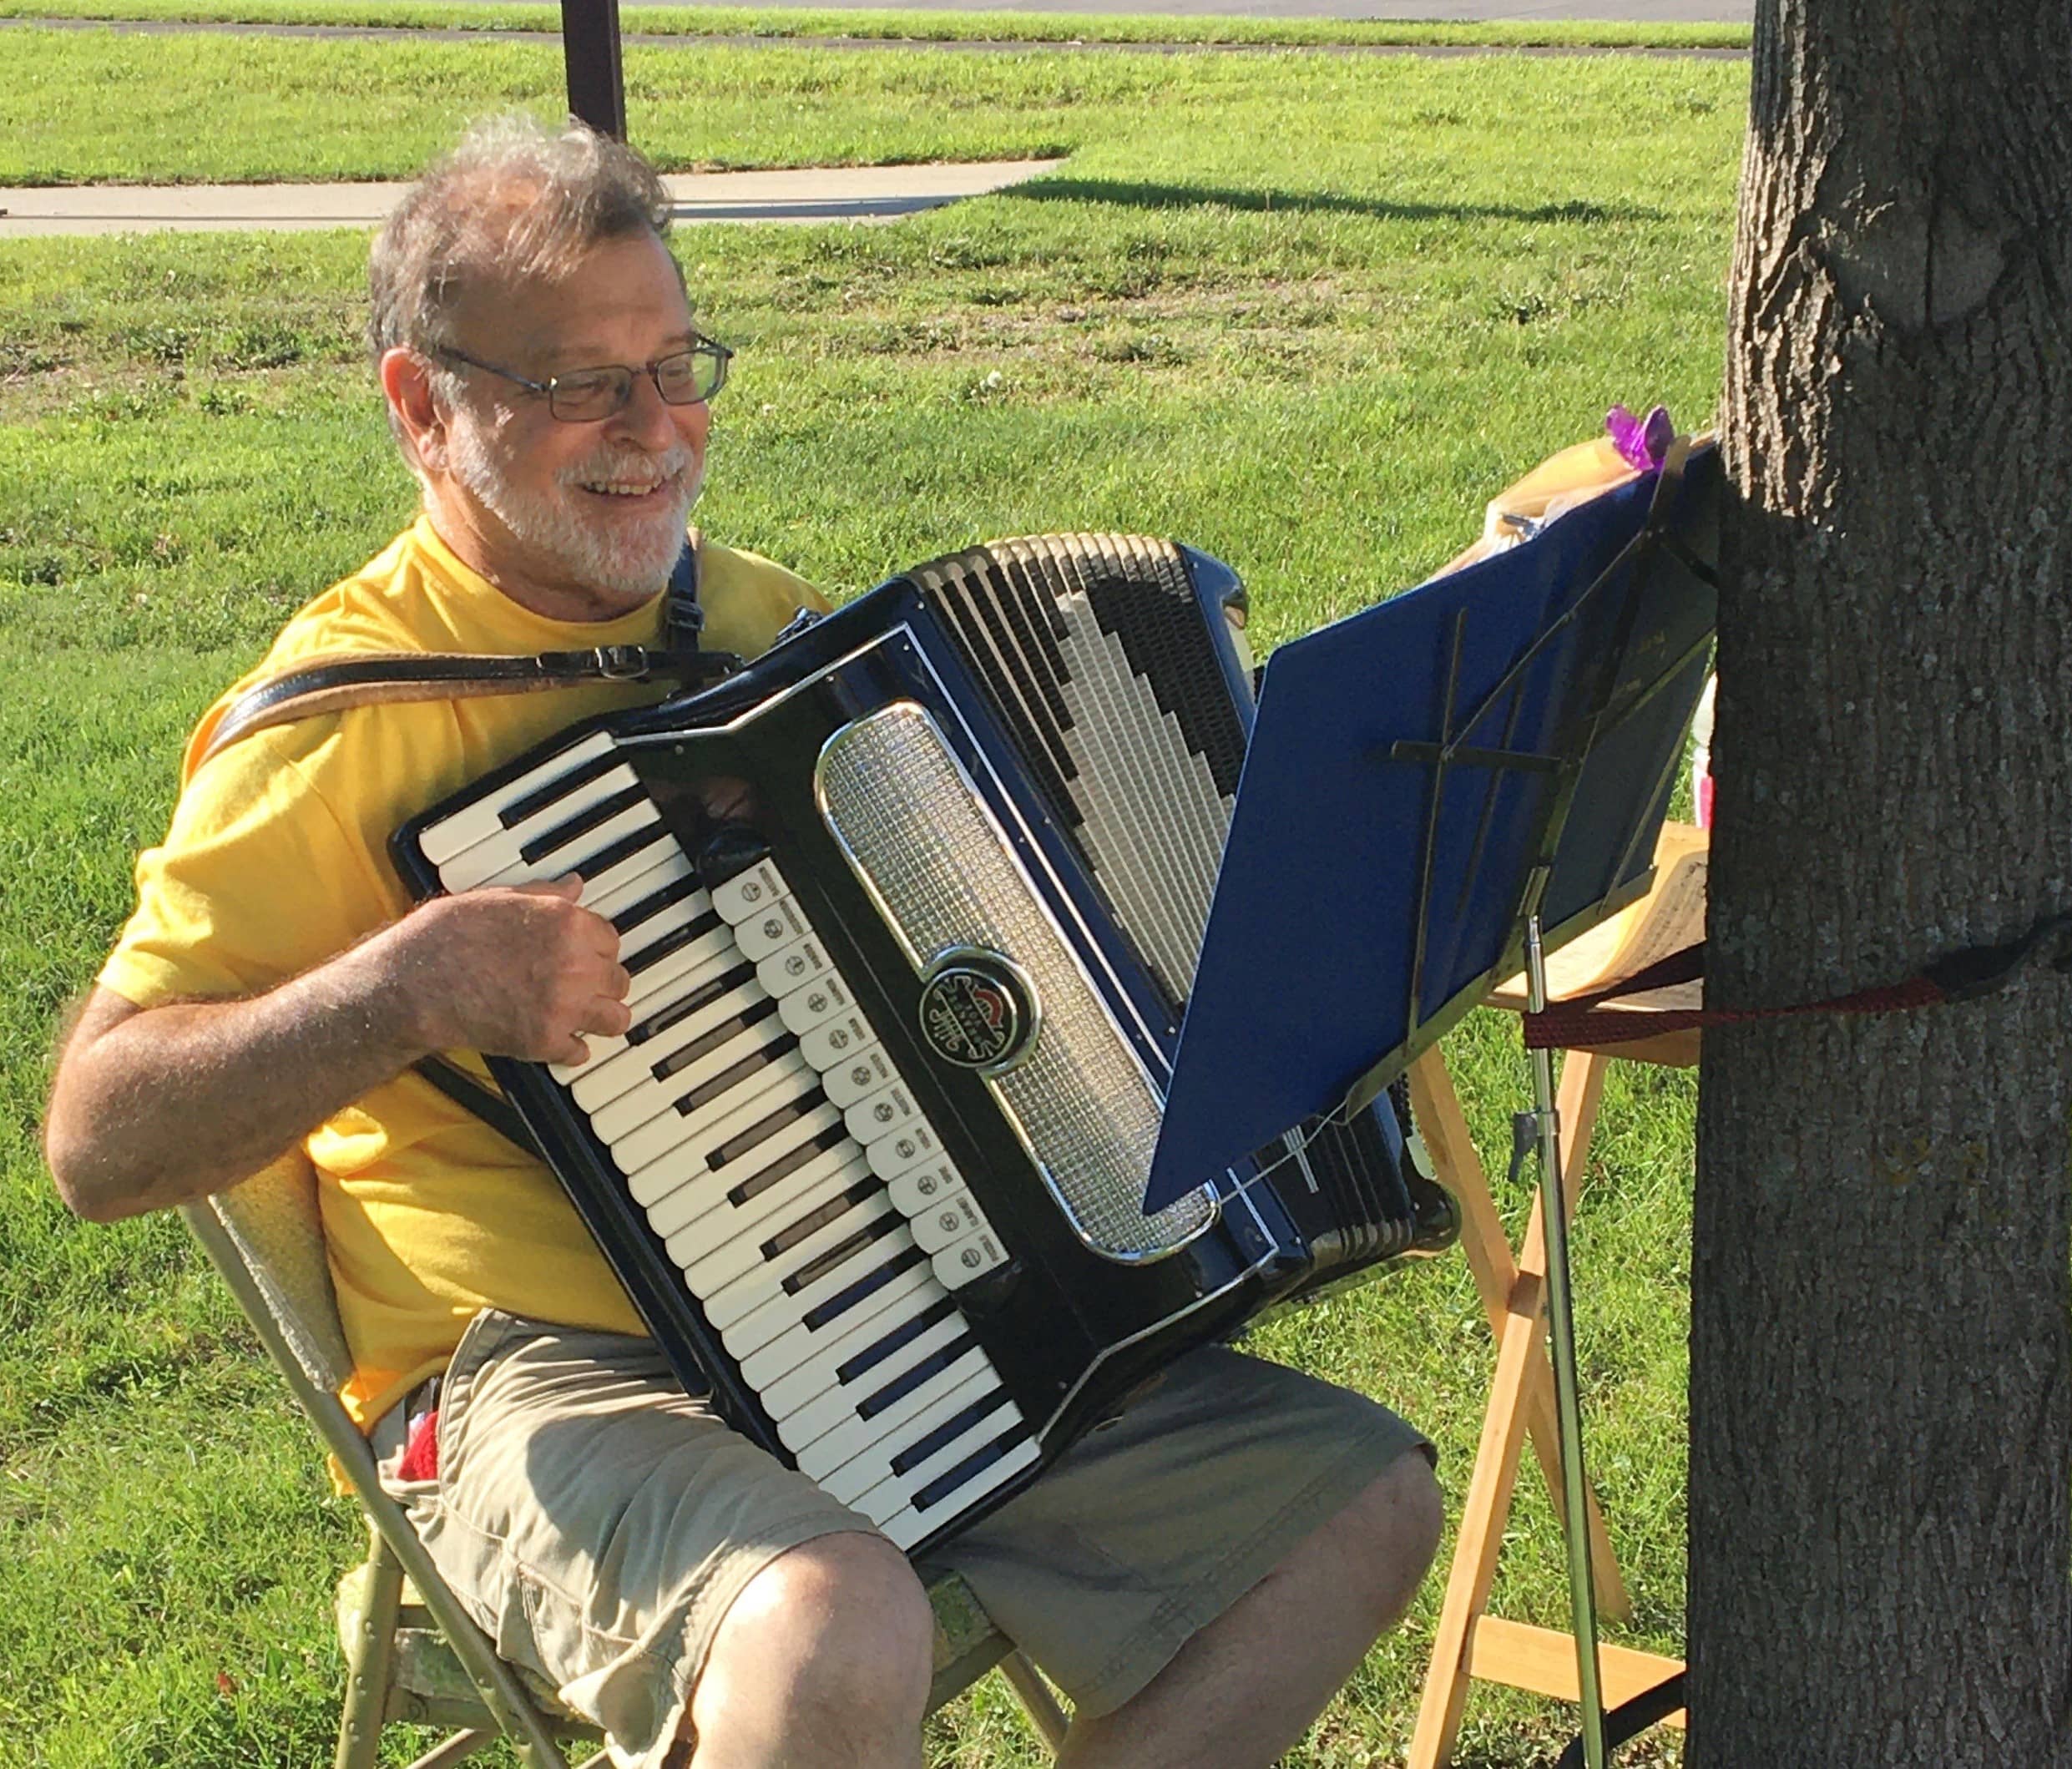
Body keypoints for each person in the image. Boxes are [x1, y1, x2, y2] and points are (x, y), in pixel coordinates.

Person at [42, 116, 1440, 1769]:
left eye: (673, 364)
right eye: (579, 385)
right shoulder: (335, 727)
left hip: (888, 1305)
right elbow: (97, 1136)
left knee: (1352, 1506)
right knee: (835, 1627)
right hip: (535, 1378)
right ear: (424, 408)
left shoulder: (772, 635)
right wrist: (406, 985)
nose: (652, 431)